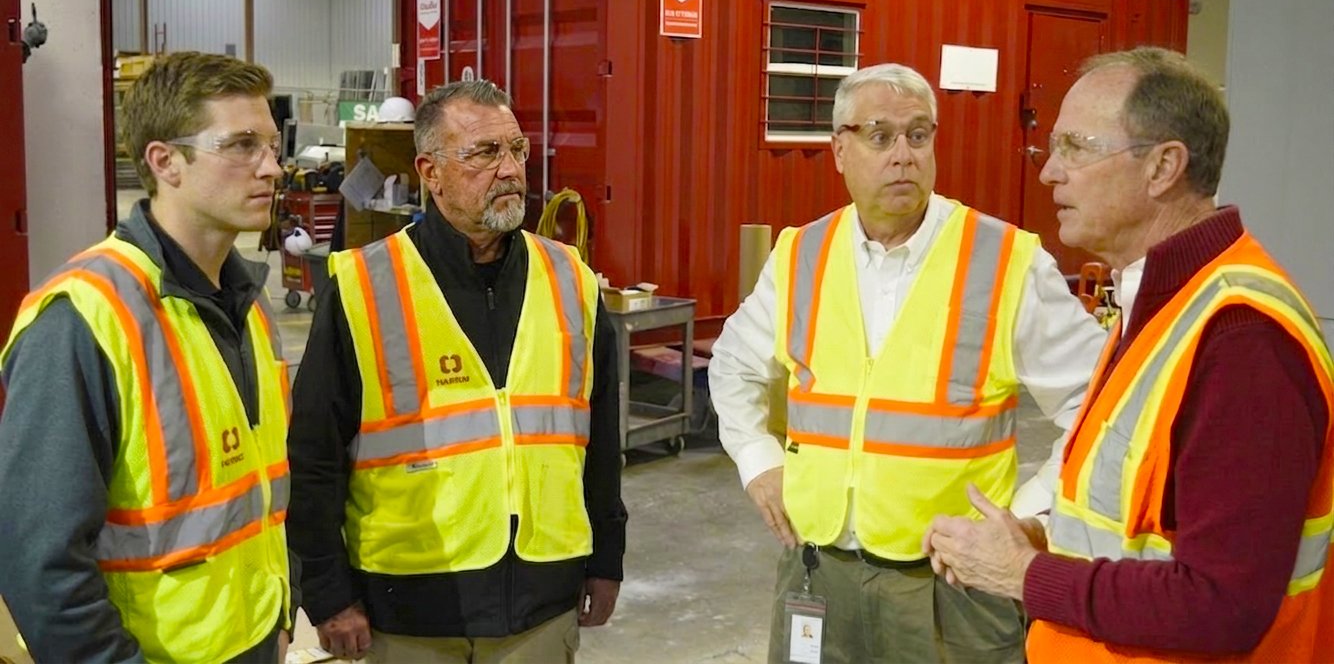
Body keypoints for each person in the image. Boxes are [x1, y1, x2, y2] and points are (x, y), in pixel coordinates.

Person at [925, 47, 1334, 661]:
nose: (1049, 173)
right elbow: (1141, 528)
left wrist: (1027, 575)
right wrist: (1044, 541)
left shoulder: (1242, 339)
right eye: (1051, 148)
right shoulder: (1161, 302)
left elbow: (1222, 605)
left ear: (1163, 166)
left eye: (1076, 147)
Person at [707, 62, 1108, 663]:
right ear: (840, 150)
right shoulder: (801, 254)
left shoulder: (1002, 261)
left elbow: (1100, 407)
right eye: (880, 136)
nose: (904, 155)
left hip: (952, 588)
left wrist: (1028, 517)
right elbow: (733, 364)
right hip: (817, 572)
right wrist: (758, 461)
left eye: (918, 135)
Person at [287, 79, 626, 662]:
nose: (510, 169)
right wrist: (326, 591)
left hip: (542, 602)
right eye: (484, 153)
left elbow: (599, 438)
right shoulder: (365, 286)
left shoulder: (570, 278)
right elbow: (314, 455)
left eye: (516, 149)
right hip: (408, 610)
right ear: (431, 171)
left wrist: (607, 557)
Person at [0, 52, 296, 663]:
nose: (272, 167)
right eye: (242, 145)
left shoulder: (247, 300)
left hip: (254, 642)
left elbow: (261, 490)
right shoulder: (83, 318)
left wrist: (280, 612)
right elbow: (41, 561)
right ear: (165, 162)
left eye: (272, 145)